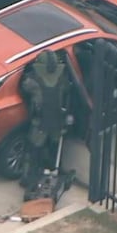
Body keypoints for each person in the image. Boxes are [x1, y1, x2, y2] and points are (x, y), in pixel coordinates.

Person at [19, 50, 71, 193]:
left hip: (40, 122)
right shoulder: (62, 76)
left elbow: (24, 86)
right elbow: (67, 88)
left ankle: (29, 179)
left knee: (33, 151)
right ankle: (53, 170)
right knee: (54, 149)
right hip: (57, 122)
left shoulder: (33, 79)